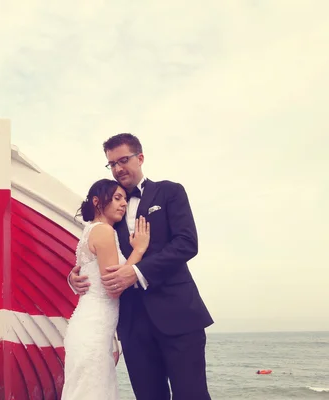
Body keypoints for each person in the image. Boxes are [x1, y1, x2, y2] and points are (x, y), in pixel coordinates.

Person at [68, 133, 214, 400]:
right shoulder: (113, 206)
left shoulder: (170, 191)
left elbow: (186, 244)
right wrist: (74, 276)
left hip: (178, 314)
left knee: (191, 394)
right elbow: (97, 249)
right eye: (111, 163)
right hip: (132, 322)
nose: (118, 168)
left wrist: (137, 271)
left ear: (140, 158)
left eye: (123, 160)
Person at [62, 178, 151, 400]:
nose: (123, 204)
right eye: (117, 198)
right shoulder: (103, 231)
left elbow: (87, 272)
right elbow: (113, 287)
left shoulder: (90, 230)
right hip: (93, 330)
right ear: (97, 201)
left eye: (125, 199)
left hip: (89, 327)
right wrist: (138, 251)